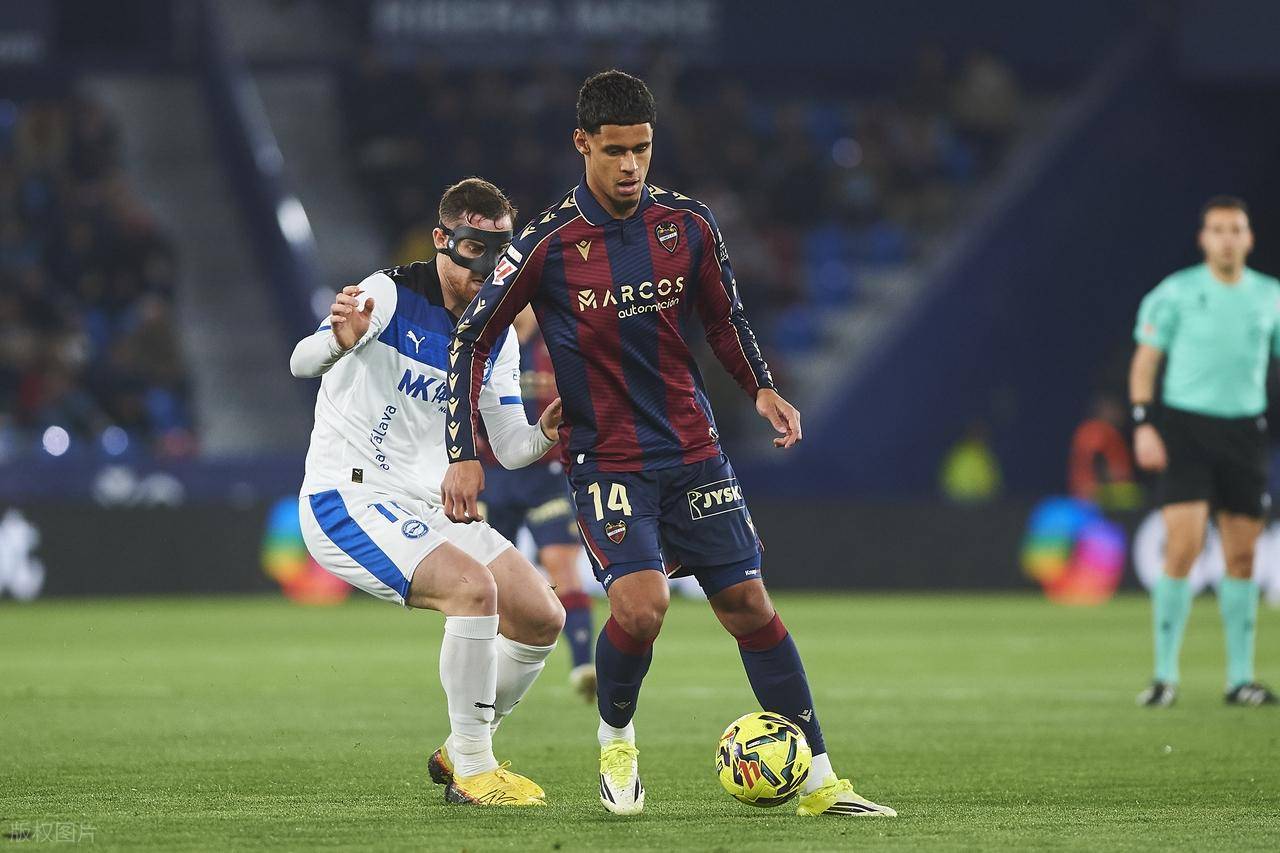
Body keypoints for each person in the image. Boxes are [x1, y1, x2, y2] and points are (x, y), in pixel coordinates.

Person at [440, 70, 896, 818]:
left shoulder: (687, 224)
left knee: (748, 602)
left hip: (692, 448)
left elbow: (725, 318)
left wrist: (761, 387)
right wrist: (464, 450)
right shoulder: (546, 243)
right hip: (607, 459)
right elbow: (472, 338)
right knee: (643, 606)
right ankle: (617, 742)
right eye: (614, 150)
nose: (630, 166)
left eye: (642, 149)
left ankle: (820, 781)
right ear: (582, 143)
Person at [290, 178, 566, 806]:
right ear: (442, 239)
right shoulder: (389, 294)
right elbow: (300, 362)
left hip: (428, 503)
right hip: (349, 498)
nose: (484, 267)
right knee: (473, 591)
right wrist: (337, 340)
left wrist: (546, 430)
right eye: (472, 248)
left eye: (498, 252)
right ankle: (473, 766)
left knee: (540, 616)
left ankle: (460, 746)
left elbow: (509, 445)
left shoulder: (495, 331)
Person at [1130, 195, 1278, 708]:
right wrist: (1144, 424)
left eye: (1236, 229)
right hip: (1186, 431)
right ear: (1203, 239)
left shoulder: (1270, 296)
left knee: (1242, 556)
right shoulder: (1175, 293)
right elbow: (1145, 363)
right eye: (1218, 229)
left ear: (1249, 238)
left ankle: (1240, 679)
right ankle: (1163, 676)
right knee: (1184, 547)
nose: (1227, 239)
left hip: (1245, 433)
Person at [480, 307, 597, 700]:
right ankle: (488, 671)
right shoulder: (484, 339)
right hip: (492, 476)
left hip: (545, 477)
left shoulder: (559, 342)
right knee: (489, 581)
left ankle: (583, 666)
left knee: (561, 564)